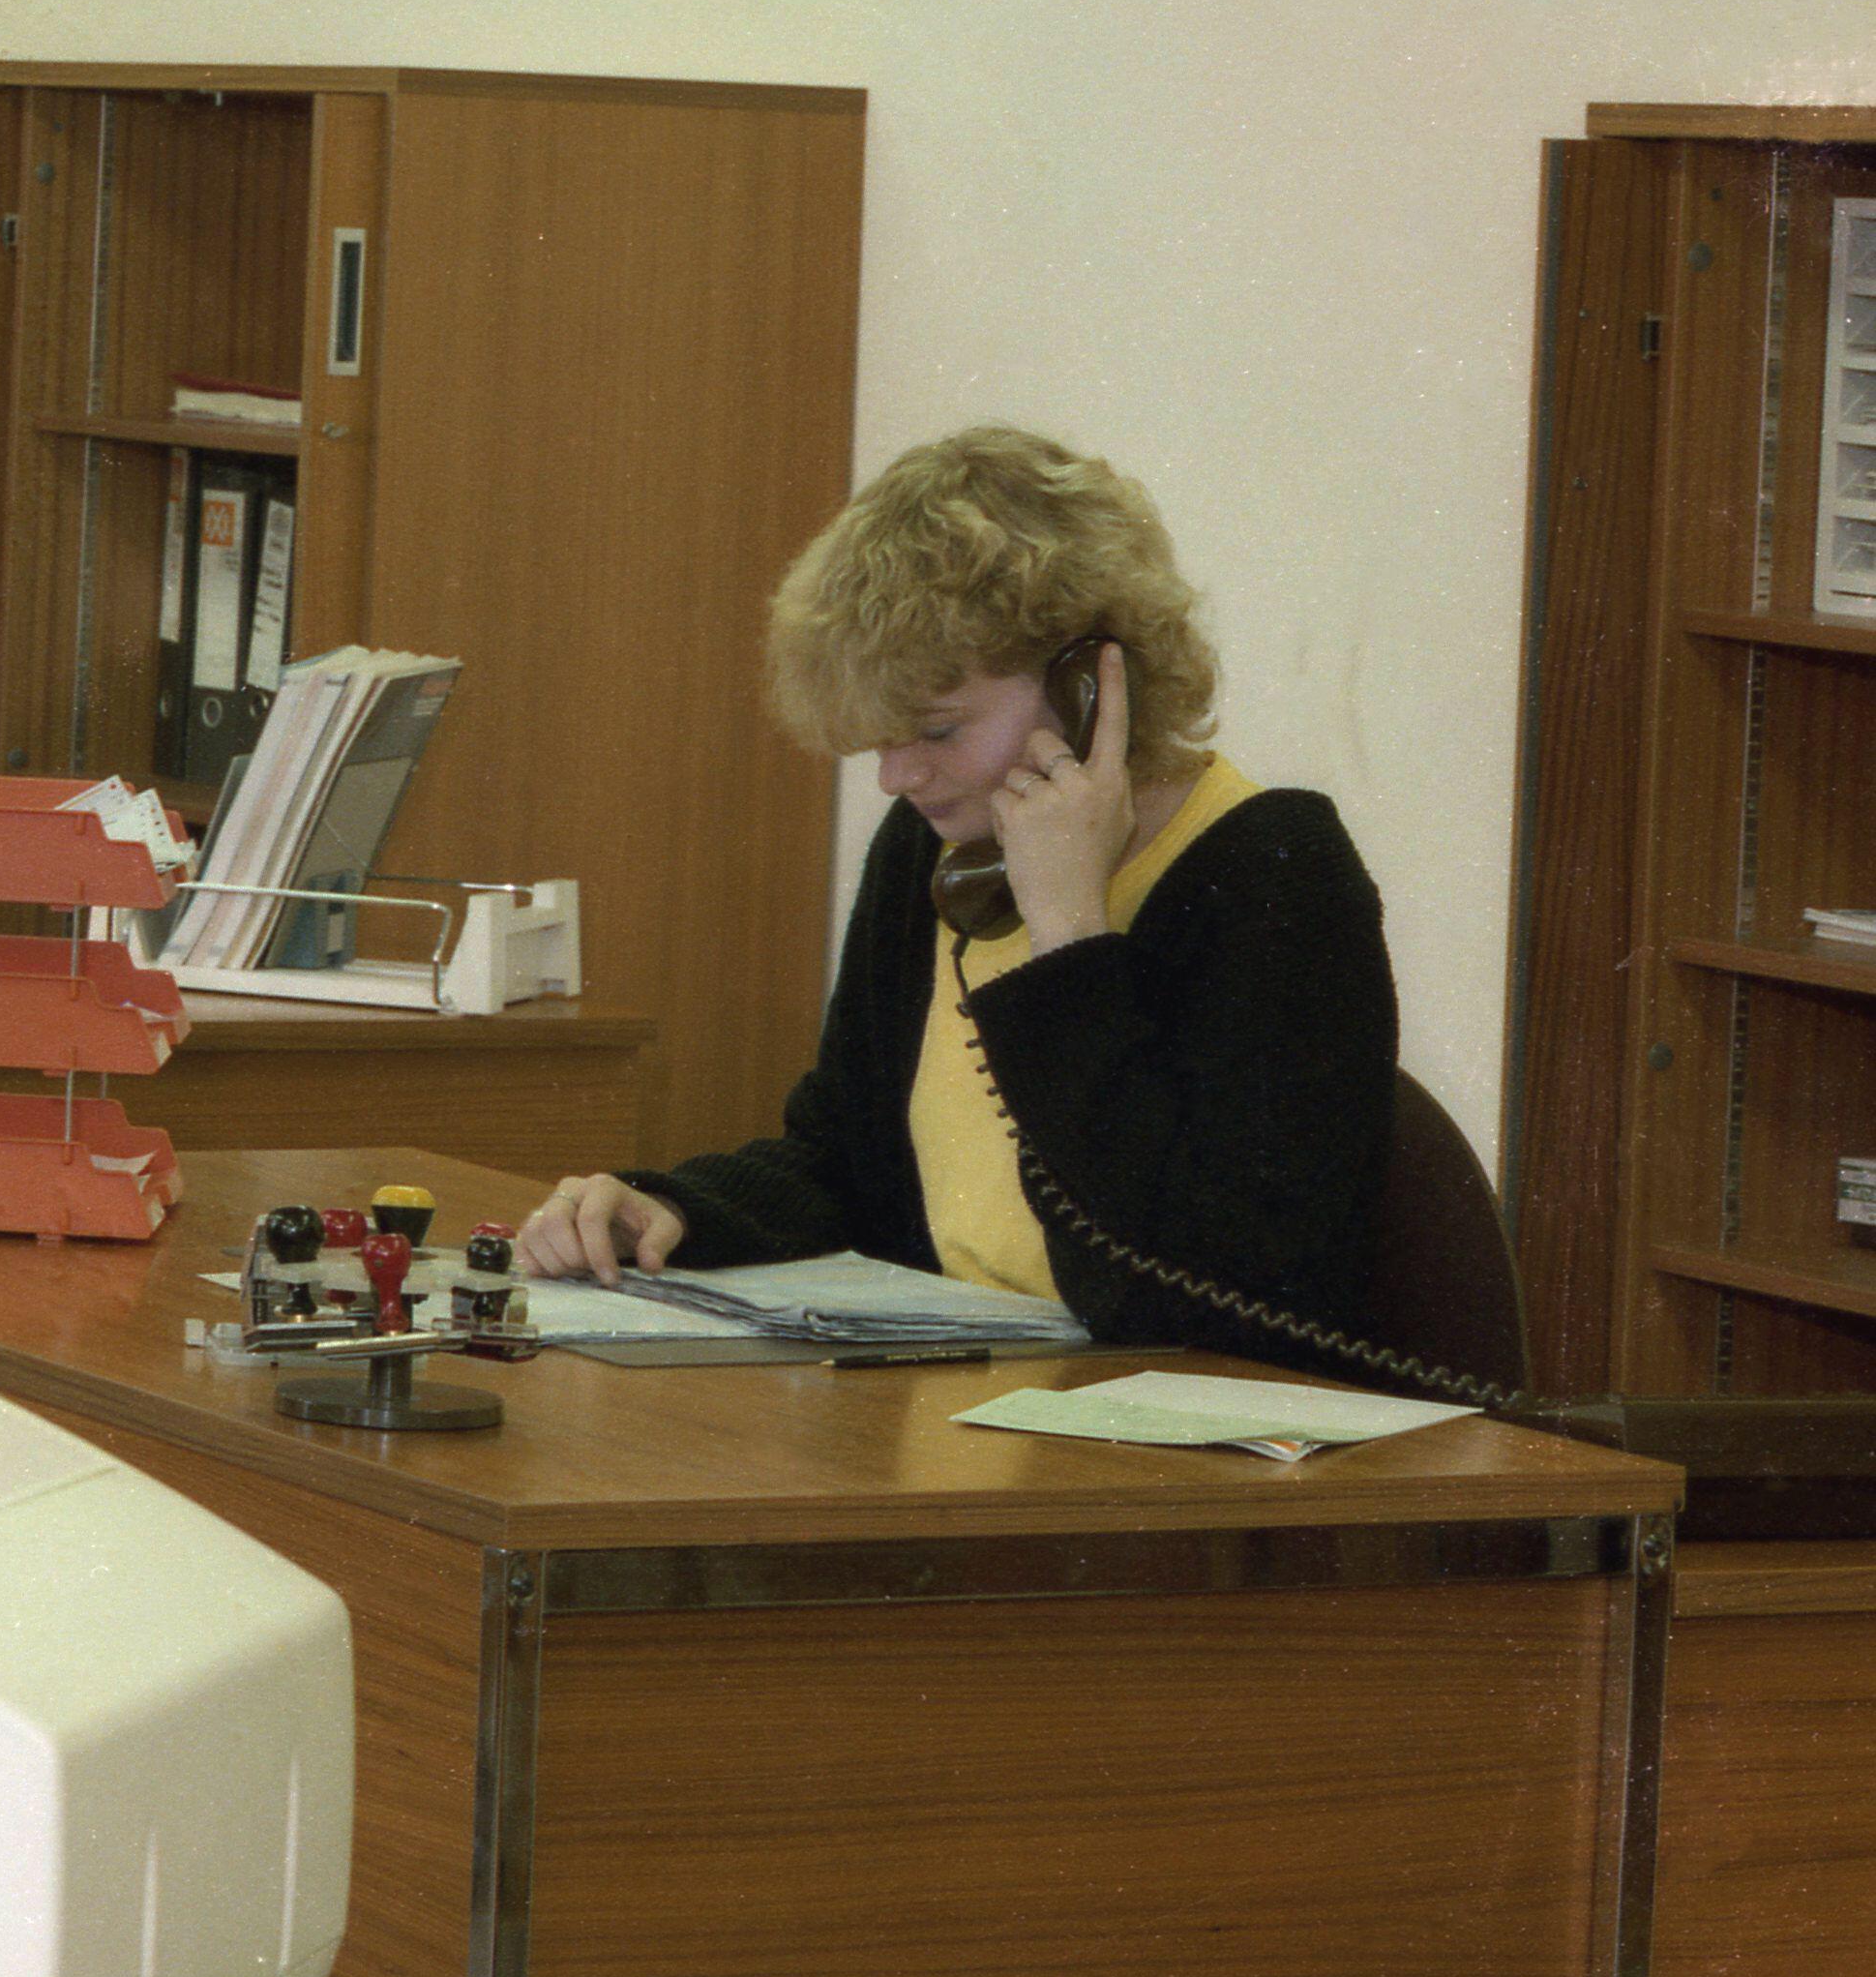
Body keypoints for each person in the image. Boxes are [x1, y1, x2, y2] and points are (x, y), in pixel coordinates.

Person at [509, 429, 1398, 1364]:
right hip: (965, 1409)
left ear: (1094, 681)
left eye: (935, 728)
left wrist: (1067, 936)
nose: (897, 776)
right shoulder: (936, 848)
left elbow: (1195, 1286)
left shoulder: (1274, 871)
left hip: (1169, 1440)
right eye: (881, 738)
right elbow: (848, 1160)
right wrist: (674, 1210)